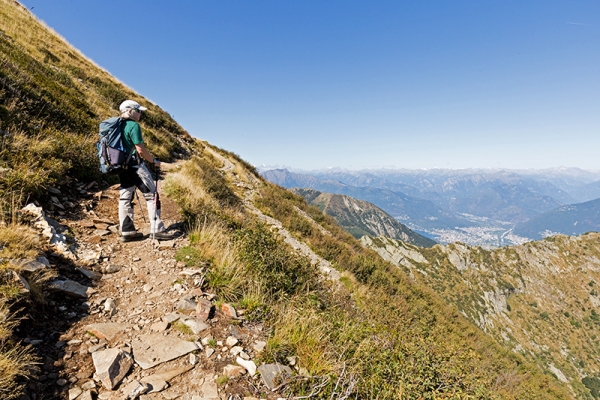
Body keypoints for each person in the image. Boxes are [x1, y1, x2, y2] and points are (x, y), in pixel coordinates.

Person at [117, 100, 175, 242]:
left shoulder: (116, 125)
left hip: (121, 167)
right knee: (152, 195)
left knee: (125, 197)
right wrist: (153, 161)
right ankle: (157, 229)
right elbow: (140, 150)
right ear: (130, 111)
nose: (140, 113)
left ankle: (127, 231)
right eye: (138, 110)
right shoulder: (133, 125)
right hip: (135, 166)